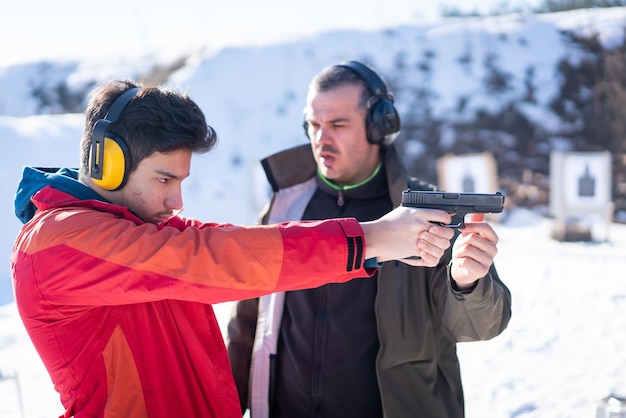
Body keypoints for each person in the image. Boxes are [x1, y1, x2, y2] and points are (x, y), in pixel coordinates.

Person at [10, 79, 456, 418]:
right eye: (164, 180)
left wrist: (376, 241)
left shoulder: (138, 228)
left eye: (180, 182)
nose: (176, 201)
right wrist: (372, 237)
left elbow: (236, 244)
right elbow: (211, 258)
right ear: (107, 164)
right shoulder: (57, 242)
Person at [226, 61, 512, 418]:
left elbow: (478, 326)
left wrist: (467, 283)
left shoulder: (425, 213)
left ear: (381, 127)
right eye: (313, 125)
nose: (320, 139)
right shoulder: (286, 205)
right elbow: (248, 323)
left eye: (338, 125)